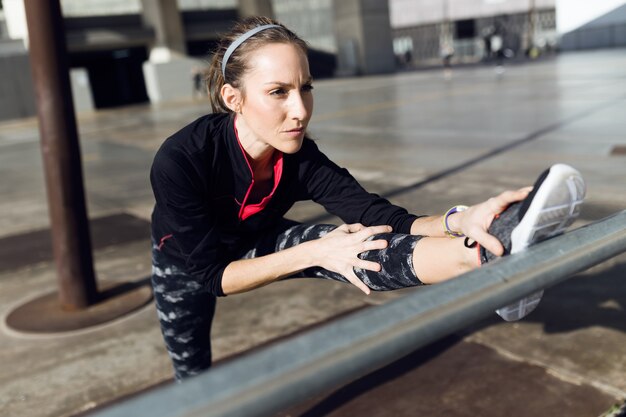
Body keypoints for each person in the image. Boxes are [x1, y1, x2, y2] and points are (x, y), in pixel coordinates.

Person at [149, 16, 586, 381]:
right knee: (192, 372)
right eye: (278, 92)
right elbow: (213, 276)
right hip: (189, 262)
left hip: (257, 236)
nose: (300, 110)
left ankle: (483, 257)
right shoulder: (182, 159)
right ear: (233, 98)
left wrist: (461, 218)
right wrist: (313, 252)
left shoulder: (299, 155)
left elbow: (382, 215)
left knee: (353, 243)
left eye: (306, 88)